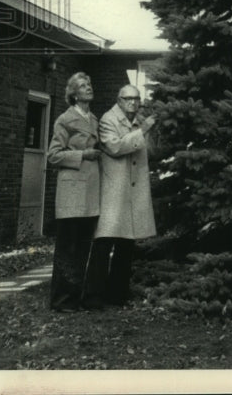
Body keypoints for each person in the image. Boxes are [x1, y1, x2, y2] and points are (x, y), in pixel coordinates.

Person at [85, 84, 157, 306]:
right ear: (119, 100)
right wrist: (143, 130)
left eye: (136, 99)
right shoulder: (108, 120)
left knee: (126, 246)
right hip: (114, 192)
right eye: (128, 99)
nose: (133, 103)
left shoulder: (137, 121)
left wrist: (150, 132)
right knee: (104, 243)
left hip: (132, 192)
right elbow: (114, 147)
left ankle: (117, 296)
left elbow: (151, 152)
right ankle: (93, 297)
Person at [47, 71, 102, 311]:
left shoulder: (95, 120)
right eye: (82, 85)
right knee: (68, 247)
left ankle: (76, 297)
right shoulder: (65, 119)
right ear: (74, 93)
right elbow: (53, 155)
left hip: (90, 191)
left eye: (89, 83)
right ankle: (61, 300)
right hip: (71, 192)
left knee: (82, 246)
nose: (88, 87)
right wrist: (82, 154)